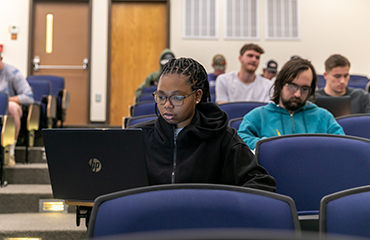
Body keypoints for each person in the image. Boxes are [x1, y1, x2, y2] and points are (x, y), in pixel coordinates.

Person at [129, 57, 276, 191]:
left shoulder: (223, 138)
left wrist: (218, 204)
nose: (167, 104)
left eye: (177, 97)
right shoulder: (138, 136)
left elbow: (261, 182)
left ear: (197, 96)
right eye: (161, 96)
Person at [237, 58, 345, 150]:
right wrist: (267, 145)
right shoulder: (258, 116)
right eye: (292, 86)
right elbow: (239, 140)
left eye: (304, 88)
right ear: (280, 85)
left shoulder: (323, 117)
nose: (298, 94)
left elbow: (342, 146)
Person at [0, 52, 34, 166]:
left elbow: (29, 97)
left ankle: (10, 152)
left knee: (12, 107)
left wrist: (7, 100)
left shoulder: (12, 73)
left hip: (8, 111)